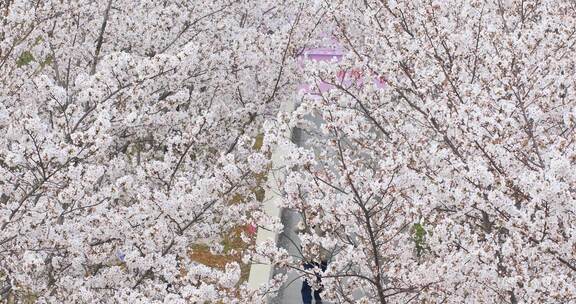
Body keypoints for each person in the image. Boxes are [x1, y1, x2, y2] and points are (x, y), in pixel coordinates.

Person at [296, 220, 330, 304]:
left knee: (320, 281)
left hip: (321, 259)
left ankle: (318, 300)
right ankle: (307, 302)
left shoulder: (323, 224)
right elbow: (296, 230)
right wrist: (304, 223)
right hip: (308, 258)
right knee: (307, 283)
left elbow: (330, 237)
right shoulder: (305, 223)